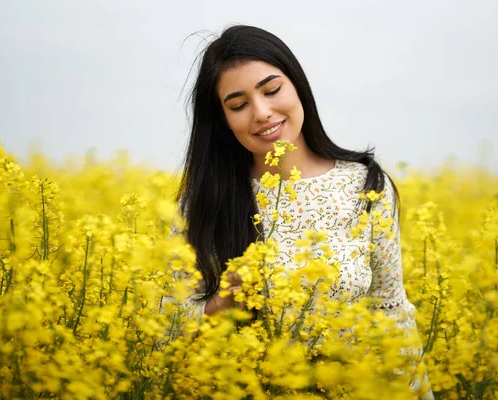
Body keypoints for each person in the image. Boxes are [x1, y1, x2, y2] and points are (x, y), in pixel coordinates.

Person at [171, 25, 433, 398]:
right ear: (223, 120)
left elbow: (393, 316)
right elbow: (167, 333)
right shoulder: (200, 204)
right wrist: (226, 299)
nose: (262, 113)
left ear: (298, 86)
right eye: (238, 104)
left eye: (272, 90)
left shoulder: (367, 186)